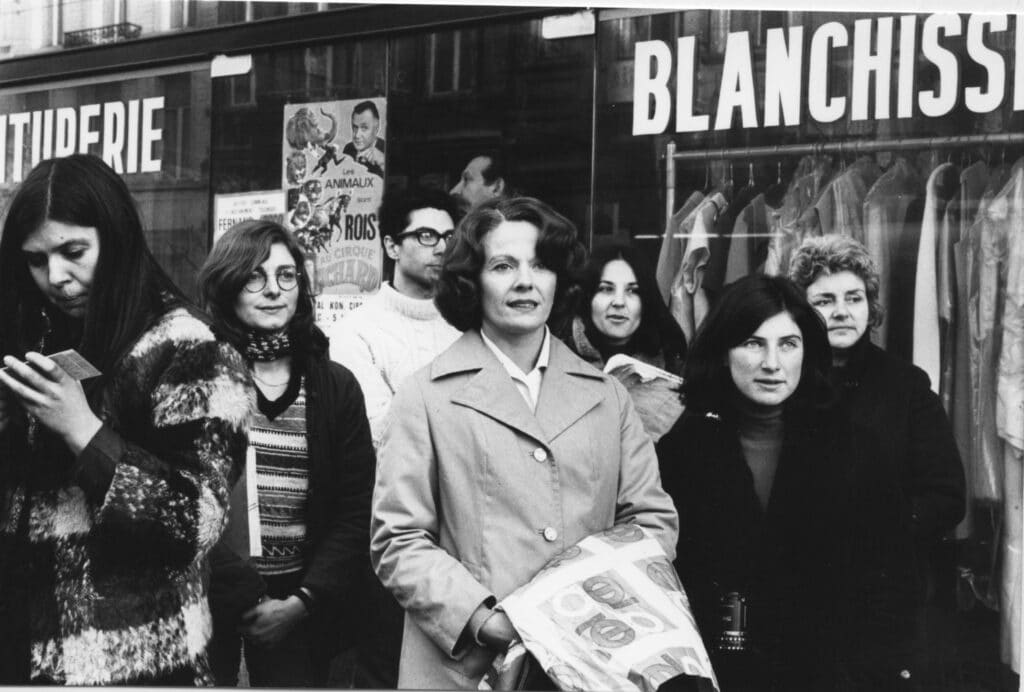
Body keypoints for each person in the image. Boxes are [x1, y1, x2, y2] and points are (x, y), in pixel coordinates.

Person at [370, 196, 679, 689]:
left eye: (540, 265)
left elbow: (650, 520)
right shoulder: (424, 396)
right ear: (472, 281)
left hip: (589, 658)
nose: (525, 281)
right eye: (503, 265)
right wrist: (486, 620)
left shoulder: (608, 397)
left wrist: (591, 605)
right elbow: (399, 541)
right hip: (467, 665)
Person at [0, 154, 251, 685]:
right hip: (26, 651)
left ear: (114, 239)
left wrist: (82, 430)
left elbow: (196, 521)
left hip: (129, 660)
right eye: (36, 260)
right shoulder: (39, 338)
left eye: (73, 252)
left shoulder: (189, 347)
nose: (57, 278)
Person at [198, 220, 375, 687]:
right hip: (206, 600)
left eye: (286, 275)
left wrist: (302, 602)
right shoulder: (197, 375)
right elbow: (180, 499)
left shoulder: (335, 386)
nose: (273, 290)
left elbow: (356, 510)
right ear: (228, 285)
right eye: (254, 276)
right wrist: (236, 591)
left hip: (302, 607)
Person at [788, 234, 965, 690]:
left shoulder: (905, 387)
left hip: (886, 607)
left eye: (854, 297)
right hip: (799, 598)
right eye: (824, 300)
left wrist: (881, 537)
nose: (842, 311)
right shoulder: (784, 382)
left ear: (871, 306)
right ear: (802, 310)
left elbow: (946, 495)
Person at [655, 274, 836, 692]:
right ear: (722, 352)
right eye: (753, 343)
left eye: (788, 344)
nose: (772, 363)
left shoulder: (850, 446)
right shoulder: (682, 450)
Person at [329, 186, 462, 449]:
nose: (442, 248)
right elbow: (381, 432)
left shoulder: (467, 324)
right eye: (427, 236)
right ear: (392, 247)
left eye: (449, 236)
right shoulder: (355, 331)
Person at [568, 241, 688, 375]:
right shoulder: (556, 355)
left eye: (632, 291)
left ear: (646, 300)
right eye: (607, 289)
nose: (619, 302)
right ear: (588, 297)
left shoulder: (673, 360)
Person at [342, 100, 385, 178]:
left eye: (364, 128)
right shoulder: (348, 149)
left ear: (376, 128)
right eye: (355, 127)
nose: (357, 135)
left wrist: (383, 163)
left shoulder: (386, 150)